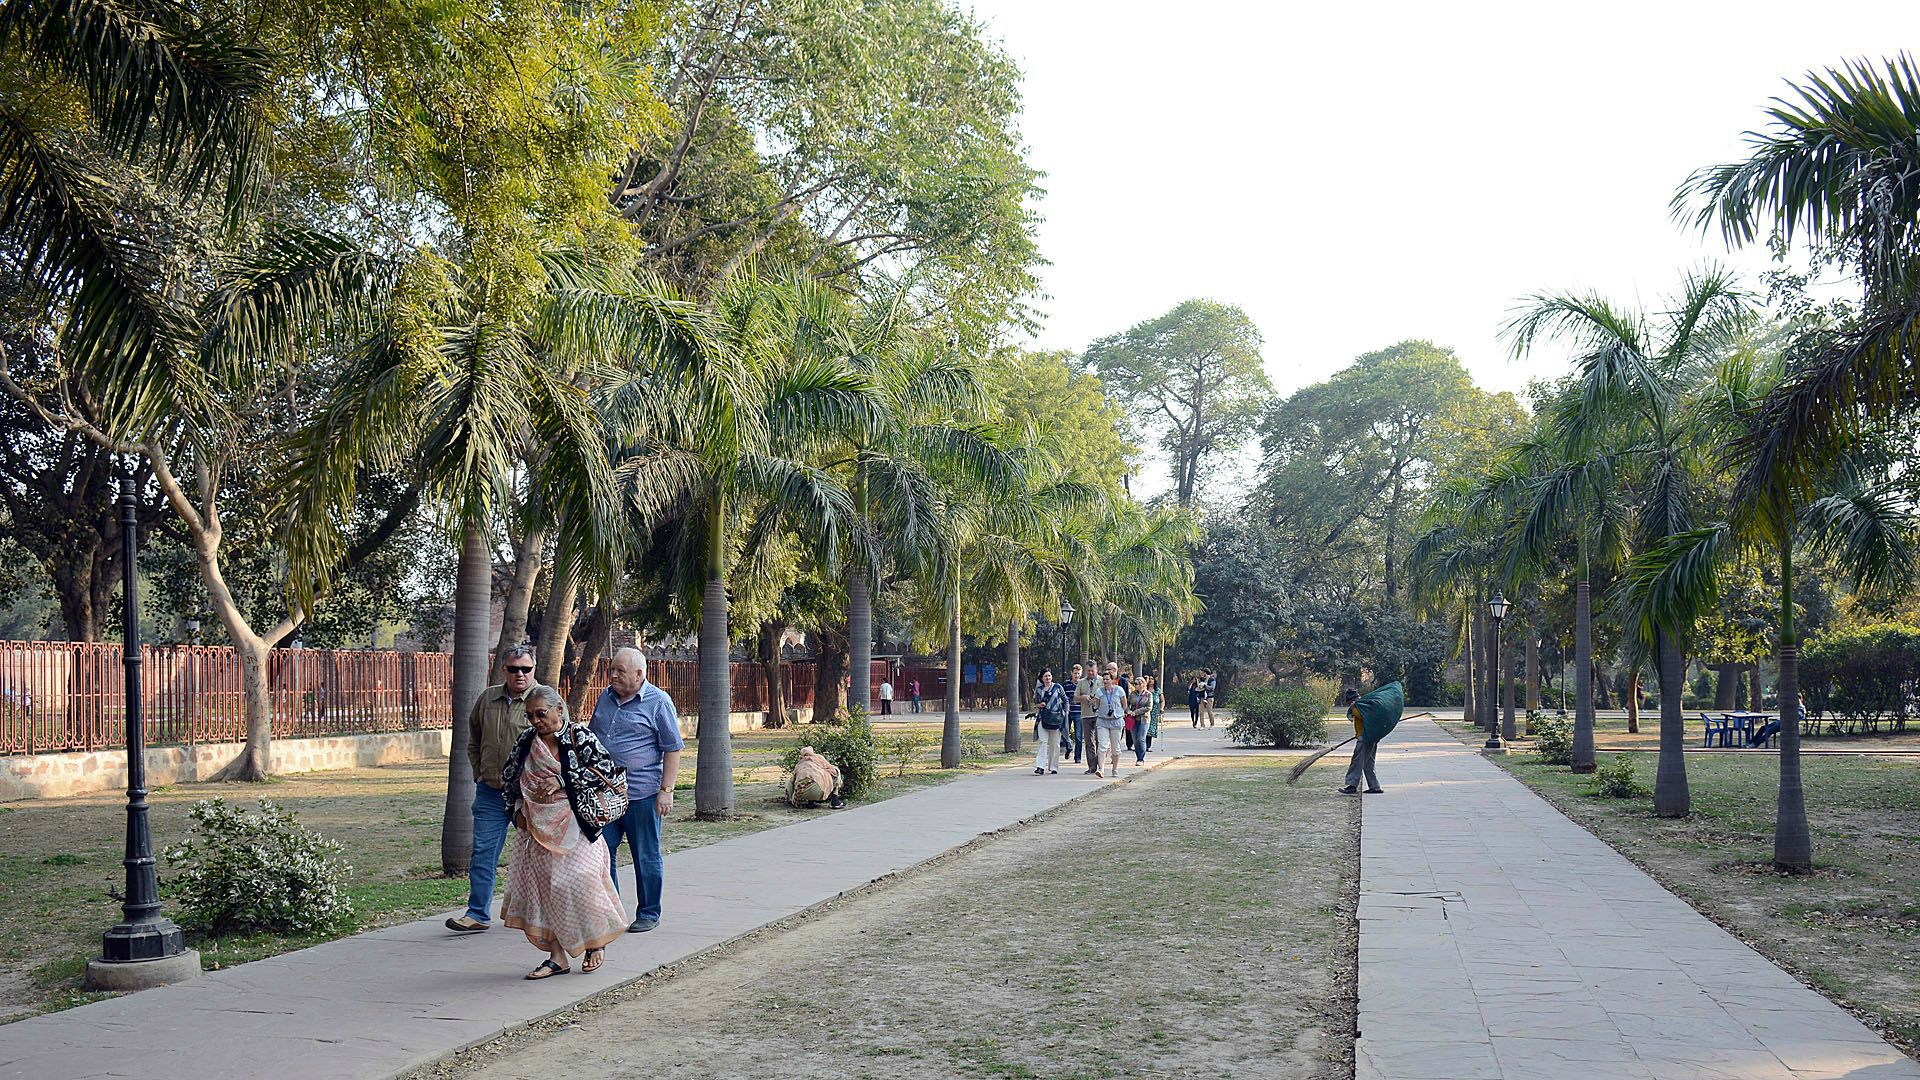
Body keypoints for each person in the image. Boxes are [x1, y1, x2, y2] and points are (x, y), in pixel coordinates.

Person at [499, 685, 628, 978]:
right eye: (530, 716)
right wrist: (516, 813)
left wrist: (563, 780)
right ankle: (557, 957)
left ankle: (596, 942)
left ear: (559, 710)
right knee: (545, 892)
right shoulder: (526, 741)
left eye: (541, 714)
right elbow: (509, 778)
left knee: (582, 880)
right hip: (535, 829)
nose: (535, 721)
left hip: (577, 825)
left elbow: (607, 771)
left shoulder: (579, 736)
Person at [587, 648, 684, 934]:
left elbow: (673, 748)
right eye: (612, 669)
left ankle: (648, 913)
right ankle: (612, 912)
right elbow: (594, 738)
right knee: (602, 852)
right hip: (605, 794)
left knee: (646, 855)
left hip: (643, 794)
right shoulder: (605, 697)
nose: (613, 675)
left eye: (620, 671)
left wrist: (666, 790)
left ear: (639, 675)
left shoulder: (658, 702)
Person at [446, 643, 538, 934]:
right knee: (484, 852)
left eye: (526, 669)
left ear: (533, 670)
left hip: (529, 794)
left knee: (539, 855)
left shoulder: (542, 699)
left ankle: (541, 915)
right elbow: (473, 739)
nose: (520, 674)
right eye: (513, 669)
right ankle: (477, 914)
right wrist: (479, 772)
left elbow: (559, 743)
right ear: (504, 670)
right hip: (491, 792)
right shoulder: (488, 698)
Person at [1340, 688, 1382, 796]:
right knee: (1368, 763)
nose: (1349, 704)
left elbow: (1363, 716)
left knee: (1357, 761)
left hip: (1365, 739)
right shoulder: (1364, 704)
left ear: (1351, 700)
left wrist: (1353, 708)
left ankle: (1351, 786)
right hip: (1370, 737)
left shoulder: (1359, 706)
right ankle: (1374, 786)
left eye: (1349, 702)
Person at [1033, 669, 1068, 775]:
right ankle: (1040, 766)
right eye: (1045, 676)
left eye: (1049, 676)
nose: (1047, 678)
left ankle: (1053, 767)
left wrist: (1065, 712)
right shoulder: (1039, 690)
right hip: (1043, 718)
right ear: (1042, 679)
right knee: (1043, 742)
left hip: (1056, 719)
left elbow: (1065, 699)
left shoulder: (1058, 687)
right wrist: (1040, 705)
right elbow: (1036, 702)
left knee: (1055, 744)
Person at [1094, 671, 1127, 778]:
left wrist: (1121, 713)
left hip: (1116, 721)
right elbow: (1097, 705)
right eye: (1103, 679)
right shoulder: (1099, 691)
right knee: (1102, 745)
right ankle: (1101, 769)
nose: (1105, 681)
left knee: (1115, 747)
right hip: (1103, 721)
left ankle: (1115, 769)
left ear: (1112, 680)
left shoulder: (1119, 690)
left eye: (1107, 679)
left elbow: (1124, 705)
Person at [1076, 662, 1103, 773]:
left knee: (1099, 741)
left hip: (1099, 715)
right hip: (1086, 714)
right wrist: (1082, 697)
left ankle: (1098, 763)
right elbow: (1075, 698)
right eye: (1088, 671)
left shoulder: (1102, 681)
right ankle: (1091, 766)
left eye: (1092, 670)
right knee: (1088, 741)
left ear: (1097, 670)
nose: (1090, 673)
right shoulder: (1081, 682)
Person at [1063, 662, 1087, 764]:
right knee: (1065, 734)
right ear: (1071, 673)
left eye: (1078, 673)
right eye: (1075, 673)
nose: (1076, 675)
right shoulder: (1066, 684)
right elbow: (1063, 697)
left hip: (1079, 713)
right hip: (1068, 712)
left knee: (1078, 736)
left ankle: (1078, 757)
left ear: (1081, 674)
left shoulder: (1083, 685)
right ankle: (1068, 747)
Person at [1127, 678, 1151, 765]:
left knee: (1141, 738)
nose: (1135, 685)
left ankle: (1141, 758)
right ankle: (1138, 756)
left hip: (1144, 719)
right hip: (1133, 719)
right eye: (1135, 683)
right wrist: (1128, 711)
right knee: (1135, 739)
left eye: (1137, 683)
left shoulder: (1148, 694)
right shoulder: (1133, 694)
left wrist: (1136, 712)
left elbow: (1149, 707)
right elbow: (1127, 704)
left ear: (1142, 684)